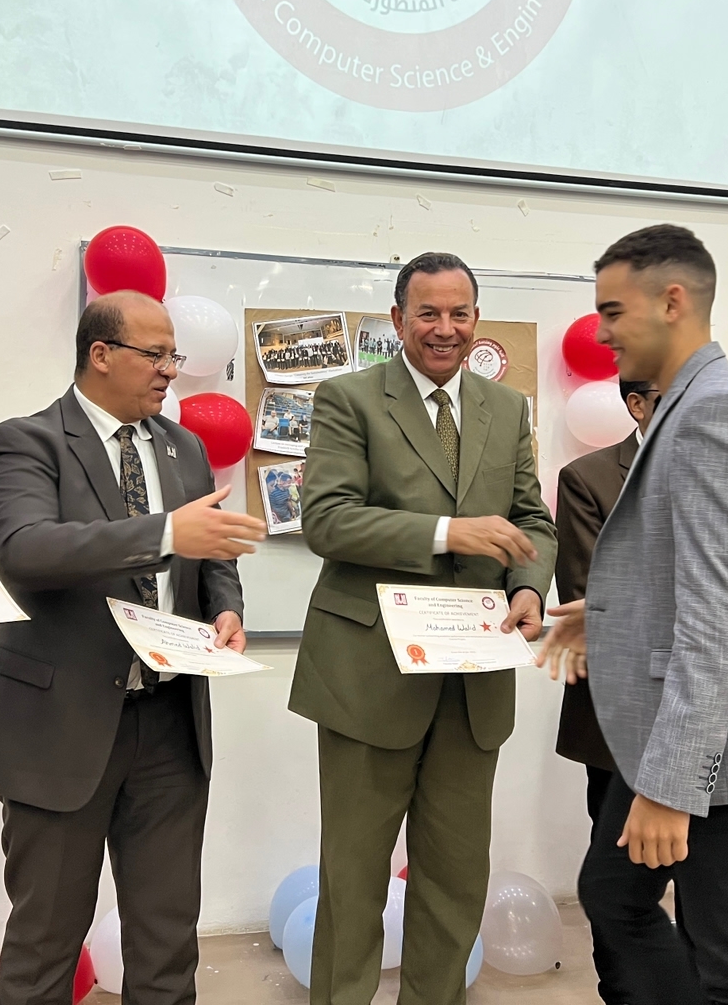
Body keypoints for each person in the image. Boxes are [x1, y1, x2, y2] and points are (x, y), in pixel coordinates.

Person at [541, 224, 728, 1005]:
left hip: (722, 747)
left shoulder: (717, 415)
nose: (602, 333)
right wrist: (605, 617)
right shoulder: (687, 407)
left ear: (672, 302)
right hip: (671, 731)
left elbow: (719, 621)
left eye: (613, 311)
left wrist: (671, 789)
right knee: (613, 895)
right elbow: (691, 574)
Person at [0, 290, 266, 1005]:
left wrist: (225, 608)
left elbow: (214, 557)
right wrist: (165, 533)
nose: (170, 370)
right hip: (59, 727)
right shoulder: (27, 441)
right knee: (44, 944)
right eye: (154, 355)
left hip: (169, 726)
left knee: (167, 941)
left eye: (174, 355)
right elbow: (24, 549)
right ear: (100, 354)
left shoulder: (184, 447)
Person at [291, 251, 556, 1005]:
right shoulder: (347, 398)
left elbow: (532, 520)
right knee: (354, 879)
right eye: (428, 313)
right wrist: (448, 533)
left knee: (456, 877)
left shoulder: (506, 408)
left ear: (477, 318)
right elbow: (327, 519)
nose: (445, 328)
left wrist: (528, 588)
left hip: (473, 681)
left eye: (459, 313)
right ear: (398, 319)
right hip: (367, 678)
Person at [542, 378, 658, 1004]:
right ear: (637, 405)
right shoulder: (588, 478)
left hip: (722, 721)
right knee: (620, 886)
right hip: (623, 720)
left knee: (711, 886)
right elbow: (592, 603)